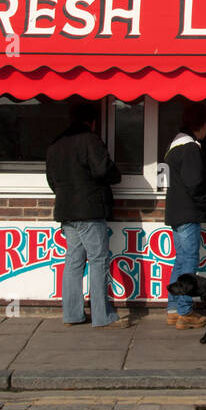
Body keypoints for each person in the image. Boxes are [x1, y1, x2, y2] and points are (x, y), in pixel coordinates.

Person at [45, 101, 127, 328]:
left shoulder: (55, 144)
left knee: (73, 262)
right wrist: (115, 174)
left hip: (66, 211)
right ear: (92, 122)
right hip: (89, 209)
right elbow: (103, 169)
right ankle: (102, 316)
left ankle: (72, 315)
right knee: (98, 261)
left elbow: (52, 181)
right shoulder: (90, 140)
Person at [164, 102, 206, 329]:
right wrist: (205, 205)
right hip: (188, 212)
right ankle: (185, 311)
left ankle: (173, 309)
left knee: (180, 260)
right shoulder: (191, 148)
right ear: (200, 125)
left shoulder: (175, 146)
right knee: (189, 263)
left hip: (175, 212)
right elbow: (196, 184)